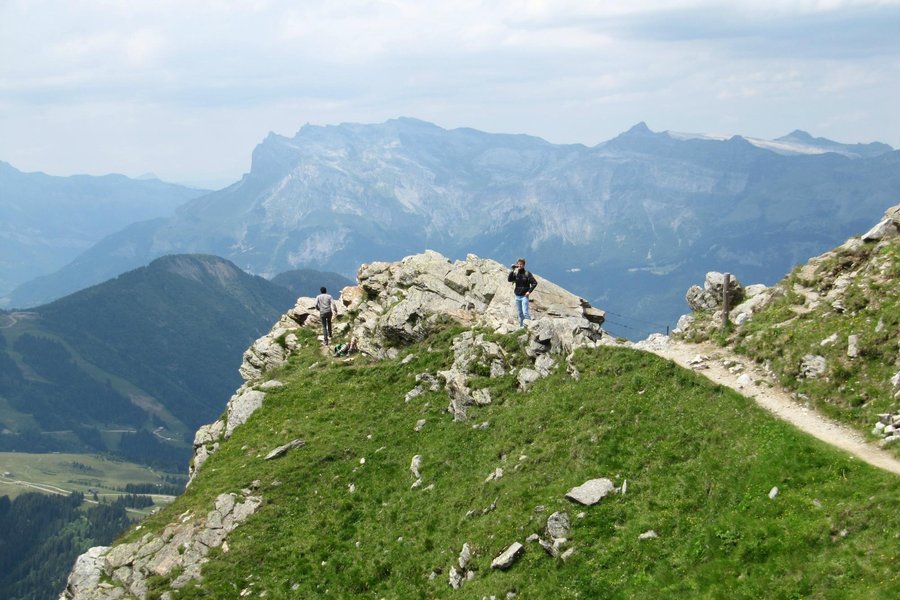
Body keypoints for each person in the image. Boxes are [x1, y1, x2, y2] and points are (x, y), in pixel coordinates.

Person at [508, 258, 538, 327]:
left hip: (524, 296)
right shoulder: (516, 273)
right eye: (518, 264)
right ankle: (522, 326)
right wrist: (512, 270)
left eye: (521, 264)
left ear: (524, 265)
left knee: (525, 313)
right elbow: (509, 280)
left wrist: (529, 292)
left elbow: (534, 283)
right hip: (517, 296)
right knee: (520, 313)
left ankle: (529, 326)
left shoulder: (527, 273)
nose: (519, 265)